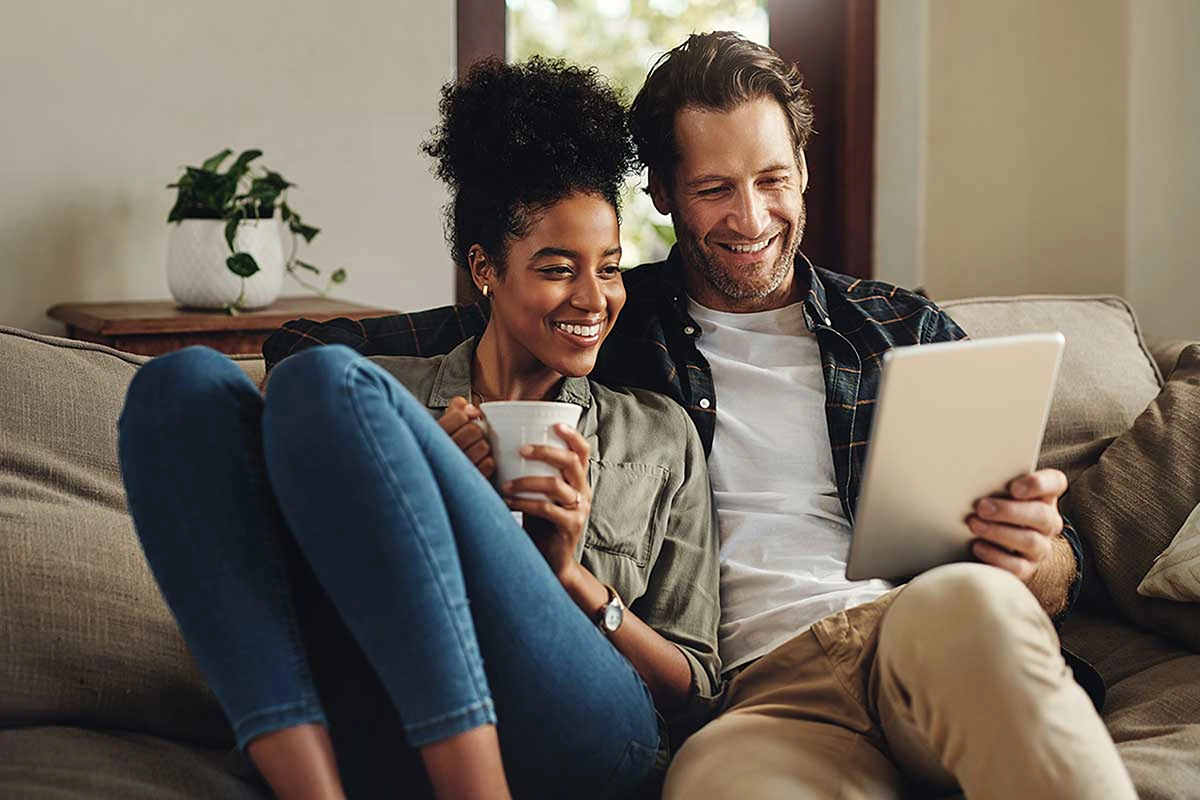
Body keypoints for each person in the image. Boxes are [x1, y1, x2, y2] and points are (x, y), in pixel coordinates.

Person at [263, 33, 1137, 799]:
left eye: (773, 179)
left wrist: (1037, 554)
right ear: (663, 195)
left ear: (803, 170)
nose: (751, 218)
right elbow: (317, 353)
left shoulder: (901, 327)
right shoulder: (607, 317)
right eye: (716, 188)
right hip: (756, 702)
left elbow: (1059, 571)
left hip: (923, 634)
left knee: (975, 608)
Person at [118, 56, 721, 800]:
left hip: (584, 727)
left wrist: (570, 578)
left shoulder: (659, 436)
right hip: (382, 710)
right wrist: (430, 490)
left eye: (609, 268)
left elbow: (696, 688)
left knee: (323, 377)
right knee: (177, 386)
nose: (594, 298)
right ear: (485, 268)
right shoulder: (378, 404)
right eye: (557, 268)